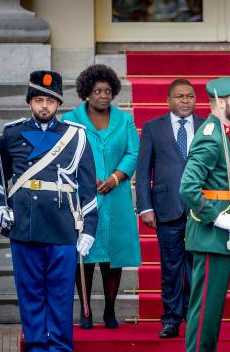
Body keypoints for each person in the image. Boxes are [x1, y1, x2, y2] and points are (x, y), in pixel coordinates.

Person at [0, 70, 98, 352]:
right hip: (24, 226)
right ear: (29, 102)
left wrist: (89, 228)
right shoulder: (11, 134)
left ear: (58, 103)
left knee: (61, 293)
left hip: (62, 226)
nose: (44, 106)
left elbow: (87, 186)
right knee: (30, 292)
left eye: (50, 100)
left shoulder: (75, 135)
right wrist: (0, 208)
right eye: (38, 100)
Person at [180, 77, 230, 352]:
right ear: (221, 103)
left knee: (212, 306)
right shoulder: (211, 137)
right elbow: (188, 187)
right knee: (204, 307)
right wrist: (217, 217)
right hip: (210, 234)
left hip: (220, 237)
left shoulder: (223, 135)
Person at [62, 64, 141, 329]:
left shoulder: (125, 119)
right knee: (84, 256)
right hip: (82, 199)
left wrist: (117, 176)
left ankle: (109, 310)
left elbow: (133, 152)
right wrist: (81, 180)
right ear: (86, 93)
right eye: (97, 90)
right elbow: (62, 156)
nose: (103, 95)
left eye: (107, 90)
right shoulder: (70, 120)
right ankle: (85, 311)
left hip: (116, 197)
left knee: (112, 255)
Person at [136, 79, 205, 338]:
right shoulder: (153, 128)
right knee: (171, 265)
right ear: (168, 100)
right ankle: (171, 318)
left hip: (200, 208)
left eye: (189, 96)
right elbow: (143, 173)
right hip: (166, 207)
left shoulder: (207, 127)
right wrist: (145, 207)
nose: (185, 100)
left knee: (195, 266)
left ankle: (194, 317)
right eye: (179, 96)